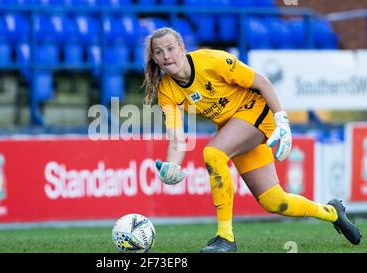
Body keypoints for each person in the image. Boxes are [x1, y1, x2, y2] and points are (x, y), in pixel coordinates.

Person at [143, 27, 362, 253]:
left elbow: (262, 82)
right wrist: (172, 166)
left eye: (170, 48)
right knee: (274, 201)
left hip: (257, 111)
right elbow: (177, 137)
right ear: (154, 59)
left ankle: (225, 237)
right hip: (235, 128)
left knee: (213, 153)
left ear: (182, 48)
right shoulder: (166, 91)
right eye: (159, 52)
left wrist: (282, 121)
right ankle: (332, 212)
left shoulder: (212, 60)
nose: (166, 55)